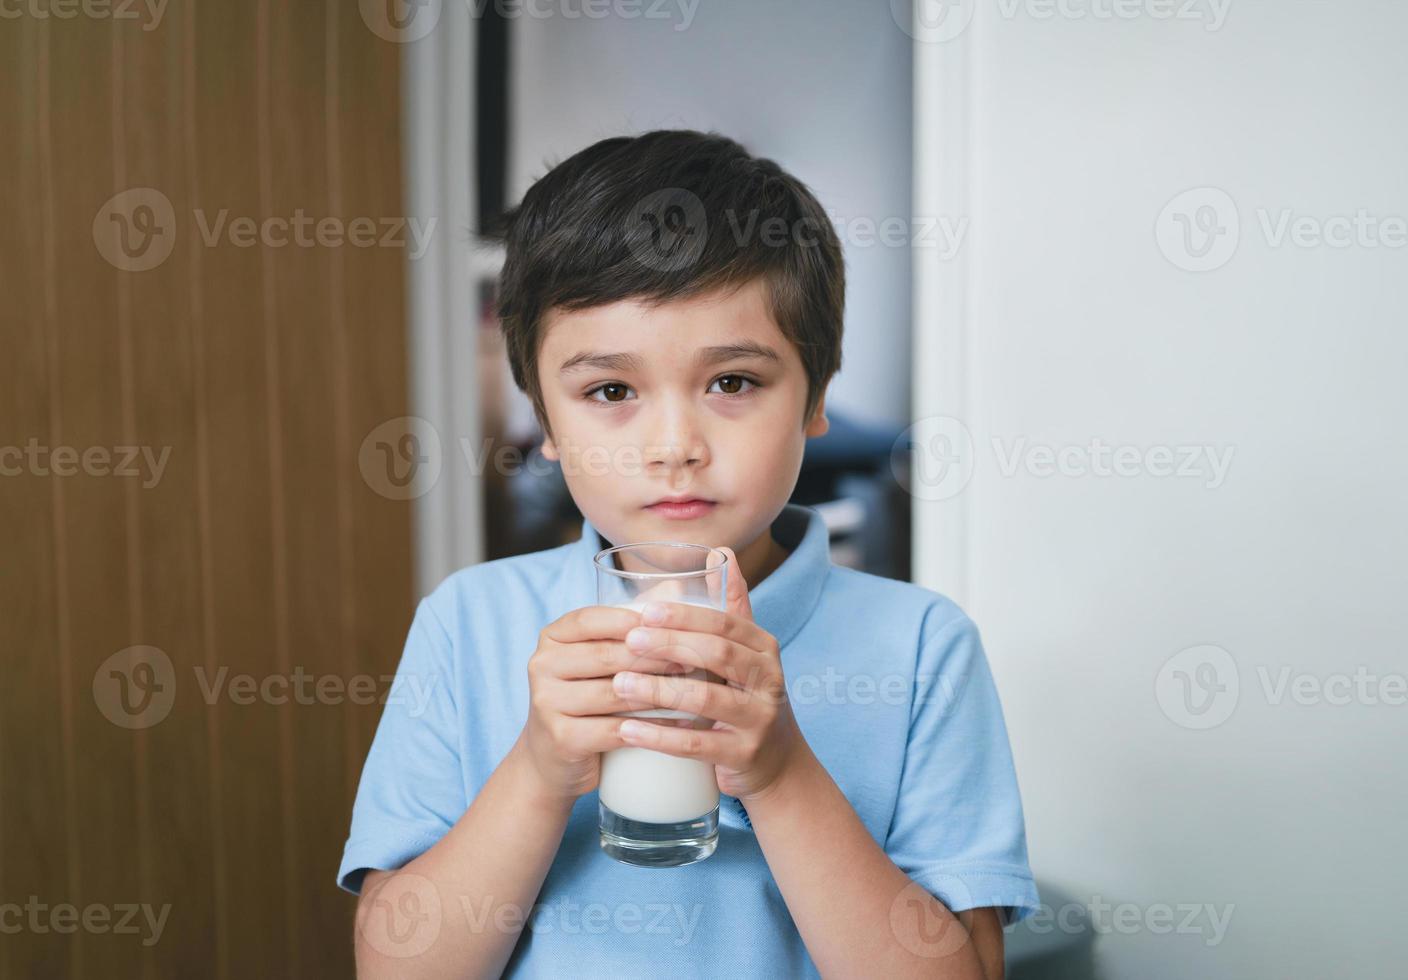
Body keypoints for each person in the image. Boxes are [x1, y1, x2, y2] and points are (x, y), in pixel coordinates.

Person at [338, 129, 1038, 978]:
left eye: (733, 382)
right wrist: (536, 770)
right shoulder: (467, 623)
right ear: (546, 422)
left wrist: (780, 776)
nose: (674, 445)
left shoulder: (924, 648)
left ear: (816, 397)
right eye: (610, 391)